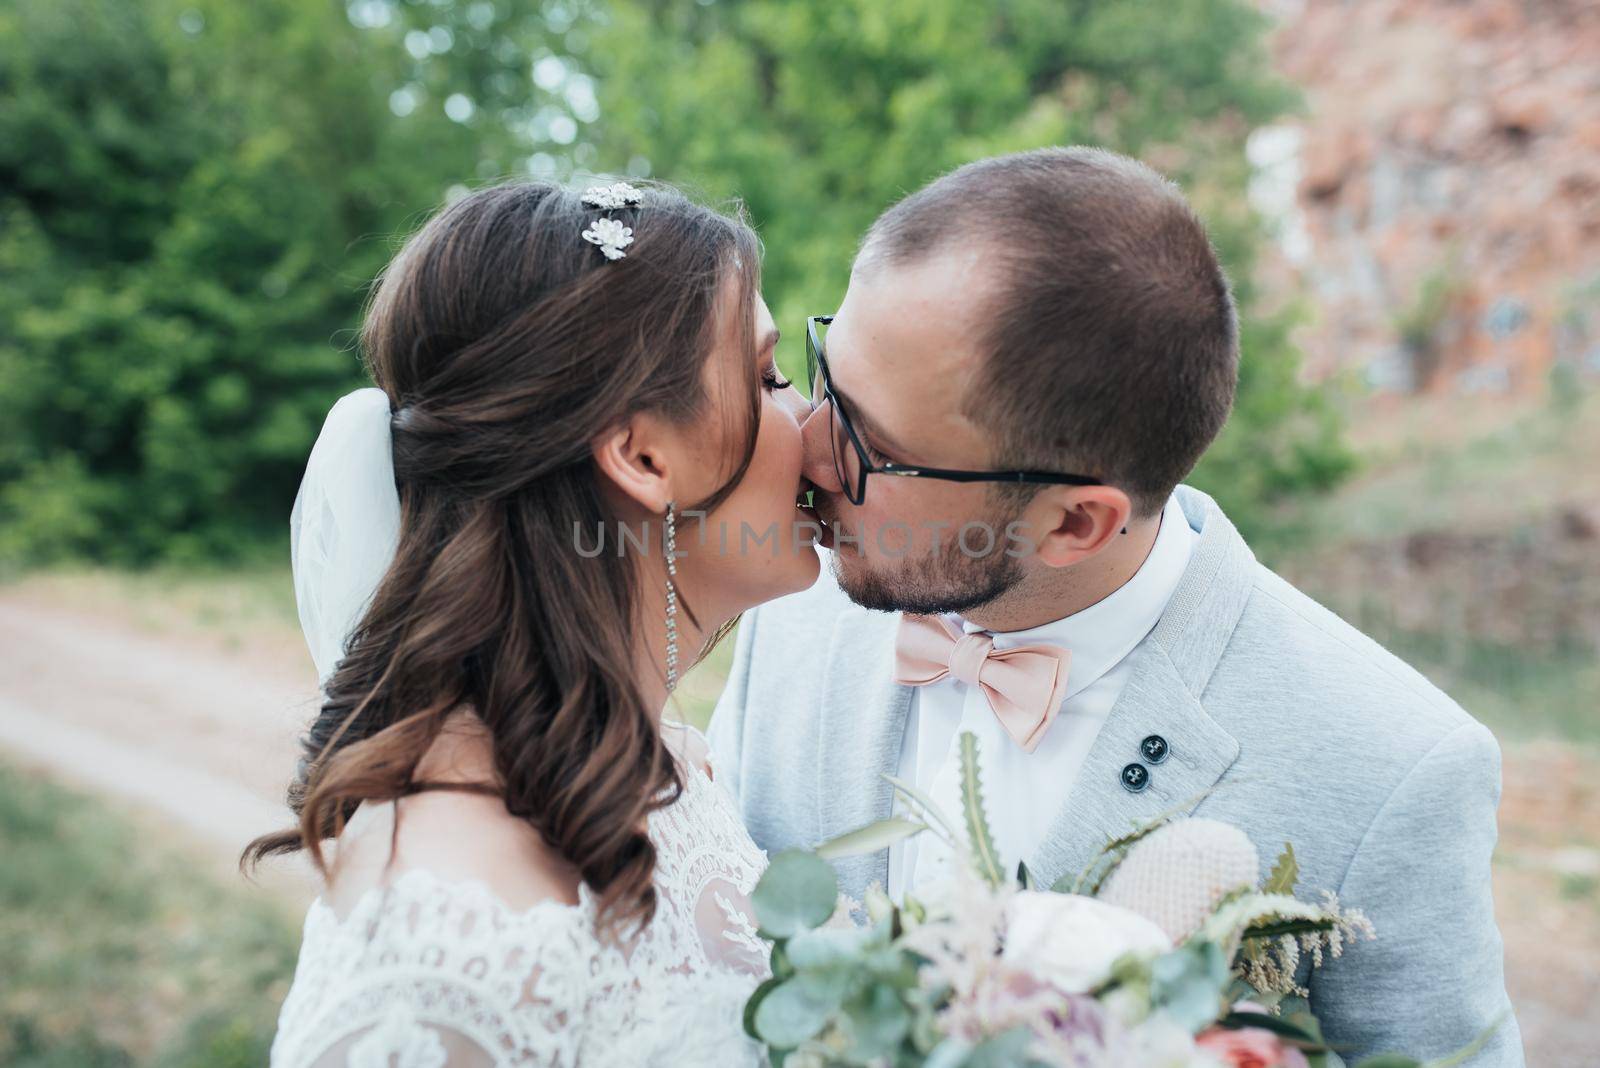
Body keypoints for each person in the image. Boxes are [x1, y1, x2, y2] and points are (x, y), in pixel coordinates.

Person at [709, 147, 1524, 1065]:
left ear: (1075, 525)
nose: (806, 452)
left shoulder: (1395, 769)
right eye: (827, 375)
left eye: (870, 446)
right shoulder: (791, 602)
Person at [249, 179, 821, 1066]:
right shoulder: (434, 951)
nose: (809, 421)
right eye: (766, 376)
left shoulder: (659, 758)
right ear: (640, 455)